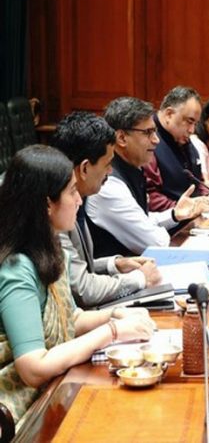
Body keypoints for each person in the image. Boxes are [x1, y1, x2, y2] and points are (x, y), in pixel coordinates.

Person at [0, 145, 155, 422]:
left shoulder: (50, 248)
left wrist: (116, 314)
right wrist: (112, 331)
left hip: (54, 392)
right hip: (23, 414)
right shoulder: (17, 269)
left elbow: (70, 317)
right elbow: (33, 368)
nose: (79, 200)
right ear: (47, 204)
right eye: (72, 191)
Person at [51, 112, 162, 308]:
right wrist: (139, 278)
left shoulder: (77, 195)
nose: (110, 171)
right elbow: (81, 289)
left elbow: (72, 267)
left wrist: (114, 265)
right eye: (108, 164)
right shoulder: (54, 207)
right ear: (85, 168)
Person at [86, 97, 209, 257]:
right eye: (148, 133)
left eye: (155, 132)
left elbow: (141, 220)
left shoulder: (132, 168)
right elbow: (155, 243)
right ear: (122, 138)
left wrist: (175, 214)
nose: (156, 140)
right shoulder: (109, 185)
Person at [144, 85, 208, 211]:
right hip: (169, 218)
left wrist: (206, 199)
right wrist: (185, 209)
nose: (192, 130)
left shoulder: (181, 137)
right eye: (189, 121)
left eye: (195, 124)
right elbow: (149, 196)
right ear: (169, 114)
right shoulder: (147, 139)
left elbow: (198, 181)